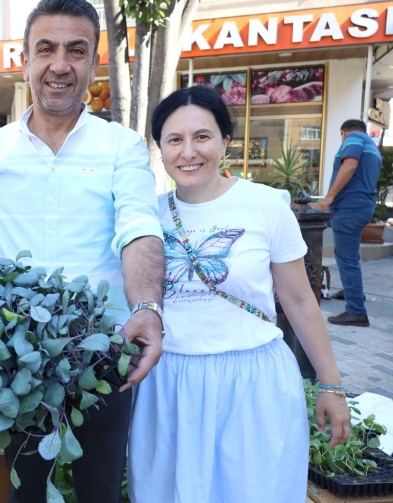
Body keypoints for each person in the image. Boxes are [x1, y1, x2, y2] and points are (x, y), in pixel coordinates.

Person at [0, 0, 165, 503]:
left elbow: (139, 227)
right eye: (45, 48)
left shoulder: (121, 145)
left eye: (76, 50)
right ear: (25, 59)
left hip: (104, 347)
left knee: (100, 488)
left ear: (93, 60)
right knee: (24, 491)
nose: (59, 65)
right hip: (14, 354)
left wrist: (147, 306)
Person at [128, 86, 350, 503]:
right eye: (174, 140)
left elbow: (300, 301)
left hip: (253, 383)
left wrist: (331, 386)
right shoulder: (145, 215)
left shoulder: (266, 205)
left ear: (225, 141)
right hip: (168, 384)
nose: (189, 152)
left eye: (203, 136)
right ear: (161, 148)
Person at [315, 119, 382, 326]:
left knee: (346, 257)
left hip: (350, 207)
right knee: (350, 255)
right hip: (362, 206)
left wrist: (328, 198)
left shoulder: (353, 138)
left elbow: (350, 165)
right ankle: (352, 293)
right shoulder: (372, 146)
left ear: (343, 132)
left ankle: (356, 311)